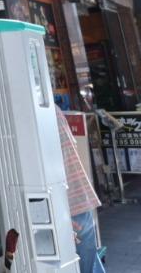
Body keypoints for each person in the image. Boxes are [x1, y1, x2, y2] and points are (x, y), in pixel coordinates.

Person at [56, 107, 105, 273]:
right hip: (80, 196)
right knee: (90, 262)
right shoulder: (53, 110)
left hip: (67, 206)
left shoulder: (27, 113)